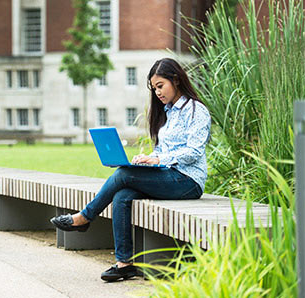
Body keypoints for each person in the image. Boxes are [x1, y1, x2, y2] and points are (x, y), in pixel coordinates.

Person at [50, 58, 211, 282]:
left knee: (124, 175)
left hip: (187, 181)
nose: (157, 93)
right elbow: (162, 150)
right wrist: (148, 159)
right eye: (154, 88)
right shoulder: (169, 112)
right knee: (123, 196)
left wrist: (159, 160)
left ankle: (85, 217)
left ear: (176, 80)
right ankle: (124, 264)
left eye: (160, 86)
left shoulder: (196, 110)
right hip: (168, 176)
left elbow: (194, 151)